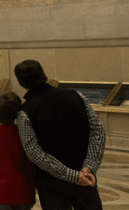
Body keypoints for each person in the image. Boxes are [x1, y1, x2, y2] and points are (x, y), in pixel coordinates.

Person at [14, 60, 106, 210]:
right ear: (43, 74)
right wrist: (88, 167)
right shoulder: (77, 96)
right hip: (85, 177)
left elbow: (34, 152)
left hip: (51, 184)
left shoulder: (25, 111)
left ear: (21, 82)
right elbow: (98, 131)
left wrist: (72, 175)